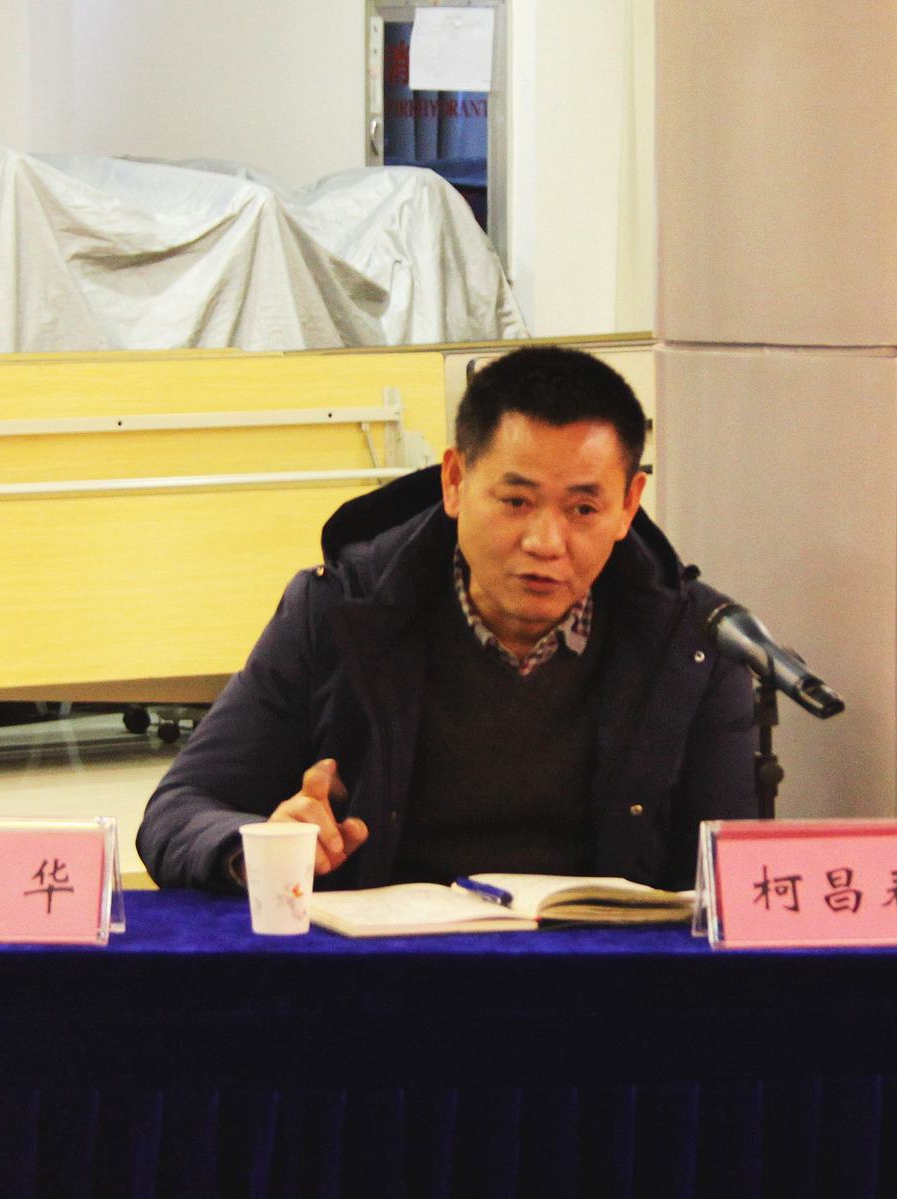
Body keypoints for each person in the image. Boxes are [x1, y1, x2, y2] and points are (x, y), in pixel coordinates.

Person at [137, 344, 757, 892]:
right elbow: (180, 809)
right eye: (516, 501)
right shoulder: (337, 613)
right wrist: (260, 848)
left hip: (600, 973)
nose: (546, 542)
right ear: (455, 481)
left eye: (583, 510)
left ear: (628, 505)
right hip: (386, 969)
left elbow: (720, 880)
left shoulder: (695, 641)